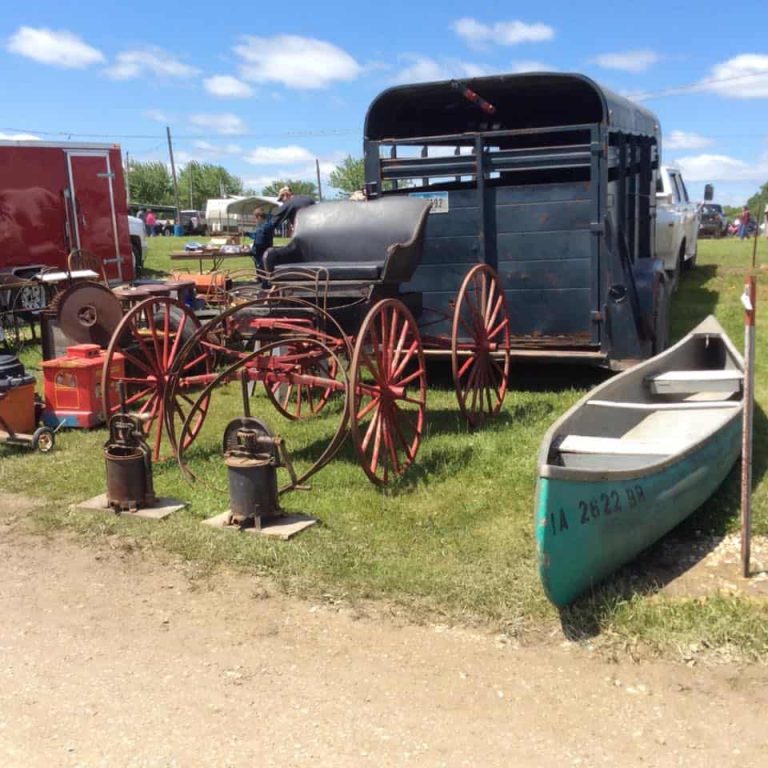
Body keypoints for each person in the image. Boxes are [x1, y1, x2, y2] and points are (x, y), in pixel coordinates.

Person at [244, 207, 276, 272]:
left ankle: (262, 281)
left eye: (255, 218)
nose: (255, 220)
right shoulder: (267, 225)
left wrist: (251, 249)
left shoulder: (263, 228)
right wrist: (247, 233)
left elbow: (259, 243)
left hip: (261, 254)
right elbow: (256, 236)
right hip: (267, 252)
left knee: (262, 273)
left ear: (258, 217)